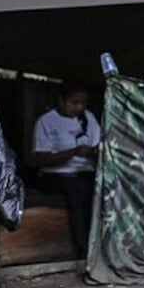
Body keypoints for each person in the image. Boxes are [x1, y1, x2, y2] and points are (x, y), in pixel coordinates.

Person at [33, 82, 101, 258]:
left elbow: (100, 147)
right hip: (55, 176)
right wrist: (73, 152)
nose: (79, 107)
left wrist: (92, 152)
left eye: (82, 103)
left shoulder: (89, 118)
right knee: (77, 192)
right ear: (61, 101)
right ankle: (84, 252)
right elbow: (40, 158)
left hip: (85, 173)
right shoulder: (46, 121)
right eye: (74, 103)